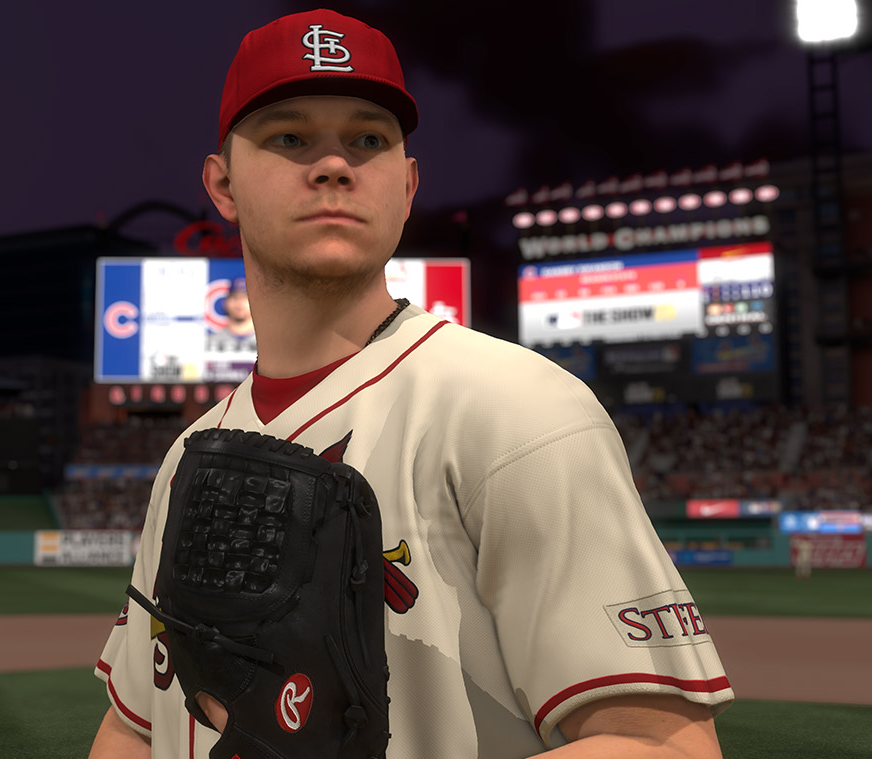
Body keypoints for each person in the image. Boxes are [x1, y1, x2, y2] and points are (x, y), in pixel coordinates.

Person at [90, 9, 732, 758]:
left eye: (368, 140)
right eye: (290, 137)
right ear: (222, 185)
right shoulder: (188, 454)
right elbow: (132, 727)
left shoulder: (517, 408)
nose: (334, 165)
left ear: (407, 185)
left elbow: (664, 745)